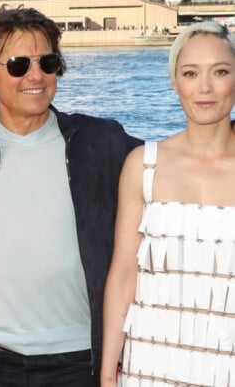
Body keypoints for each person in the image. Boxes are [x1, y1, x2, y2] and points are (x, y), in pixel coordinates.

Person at [0, 5, 141, 386]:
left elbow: (179, 165)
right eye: (17, 64)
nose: (36, 75)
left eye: (47, 62)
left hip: (81, 363)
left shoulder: (105, 142)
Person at [102, 21, 235, 386]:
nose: (204, 87)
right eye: (190, 73)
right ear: (175, 83)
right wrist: (107, 373)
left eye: (220, 72)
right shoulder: (142, 165)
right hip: (149, 364)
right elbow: (124, 275)